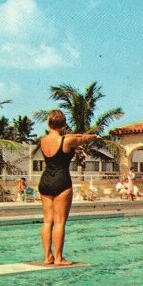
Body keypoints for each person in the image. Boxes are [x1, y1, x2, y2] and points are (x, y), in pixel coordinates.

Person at [37, 110, 97, 266]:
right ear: (63, 124)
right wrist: (94, 136)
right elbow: (82, 139)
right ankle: (58, 258)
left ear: (49, 123)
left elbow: (74, 136)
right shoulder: (66, 140)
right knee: (60, 221)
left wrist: (77, 135)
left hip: (45, 181)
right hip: (61, 181)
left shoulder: (43, 140)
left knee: (47, 221)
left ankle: (47, 257)